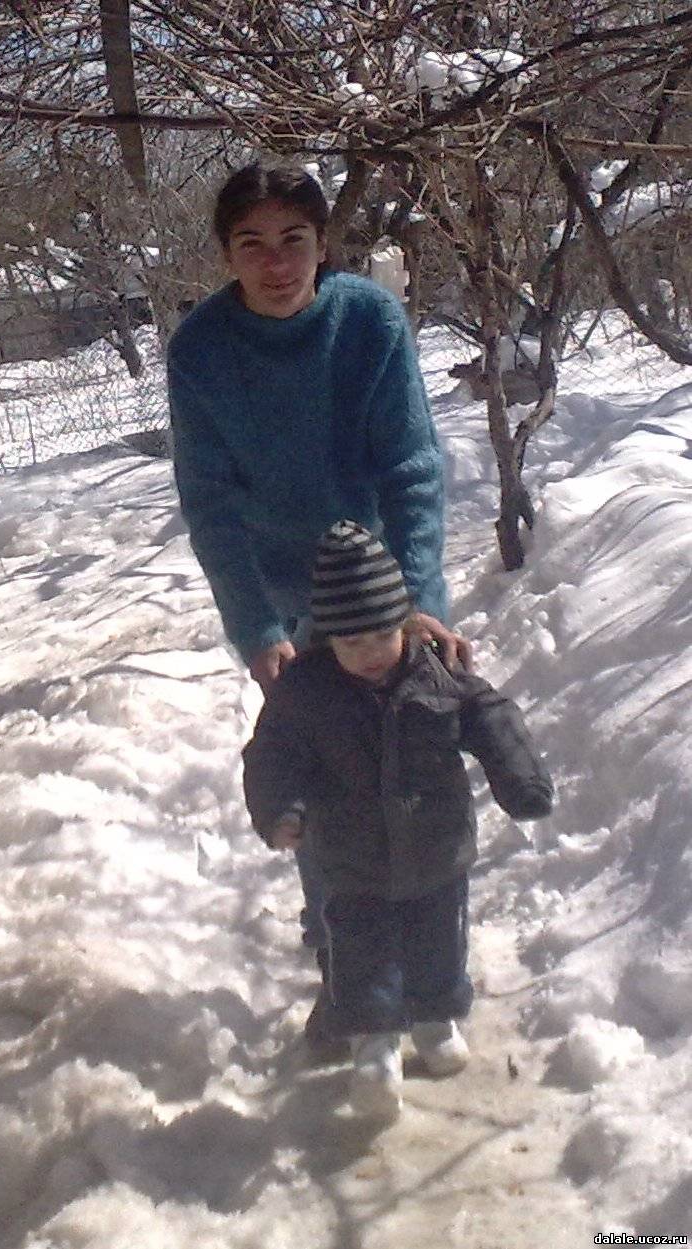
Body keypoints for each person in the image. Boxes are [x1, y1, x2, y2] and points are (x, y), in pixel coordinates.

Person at [167, 161, 471, 1041]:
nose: (275, 262)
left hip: (380, 590)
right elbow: (210, 505)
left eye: (293, 239)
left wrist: (418, 597)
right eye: (251, 243)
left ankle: (432, 971)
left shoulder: (367, 320)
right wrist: (255, 627)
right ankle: (345, 969)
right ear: (225, 253)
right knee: (325, 784)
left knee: (414, 770)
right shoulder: (201, 351)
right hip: (288, 602)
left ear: (322, 242)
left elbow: (410, 468)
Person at [242, 521, 554, 1119]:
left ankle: (436, 1021)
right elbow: (273, 755)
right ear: (327, 637)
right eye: (351, 641)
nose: (369, 653)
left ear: (406, 624)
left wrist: (520, 782)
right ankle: (374, 1046)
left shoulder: (437, 673)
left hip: (437, 848)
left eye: (382, 636)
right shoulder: (305, 693)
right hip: (351, 858)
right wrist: (280, 809)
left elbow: (492, 718)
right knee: (362, 951)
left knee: (439, 943)